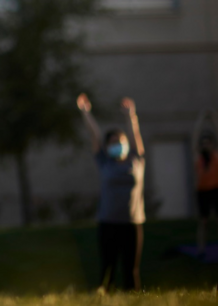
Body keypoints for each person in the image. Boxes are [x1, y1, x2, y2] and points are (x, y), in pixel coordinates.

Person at [77, 94, 145, 292]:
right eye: (112, 142)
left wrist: (130, 116)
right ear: (107, 147)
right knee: (108, 268)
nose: (117, 145)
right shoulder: (104, 161)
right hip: (108, 222)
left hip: (133, 222)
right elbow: (95, 136)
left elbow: (136, 135)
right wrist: (85, 113)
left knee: (131, 270)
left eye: (120, 141)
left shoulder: (136, 160)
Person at [192, 109, 218, 256]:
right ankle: (201, 249)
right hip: (202, 191)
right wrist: (201, 119)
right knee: (203, 221)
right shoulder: (199, 158)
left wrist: (214, 120)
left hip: (216, 189)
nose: (206, 145)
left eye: (208, 143)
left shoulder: (215, 156)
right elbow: (195, 137)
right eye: (204, 143)